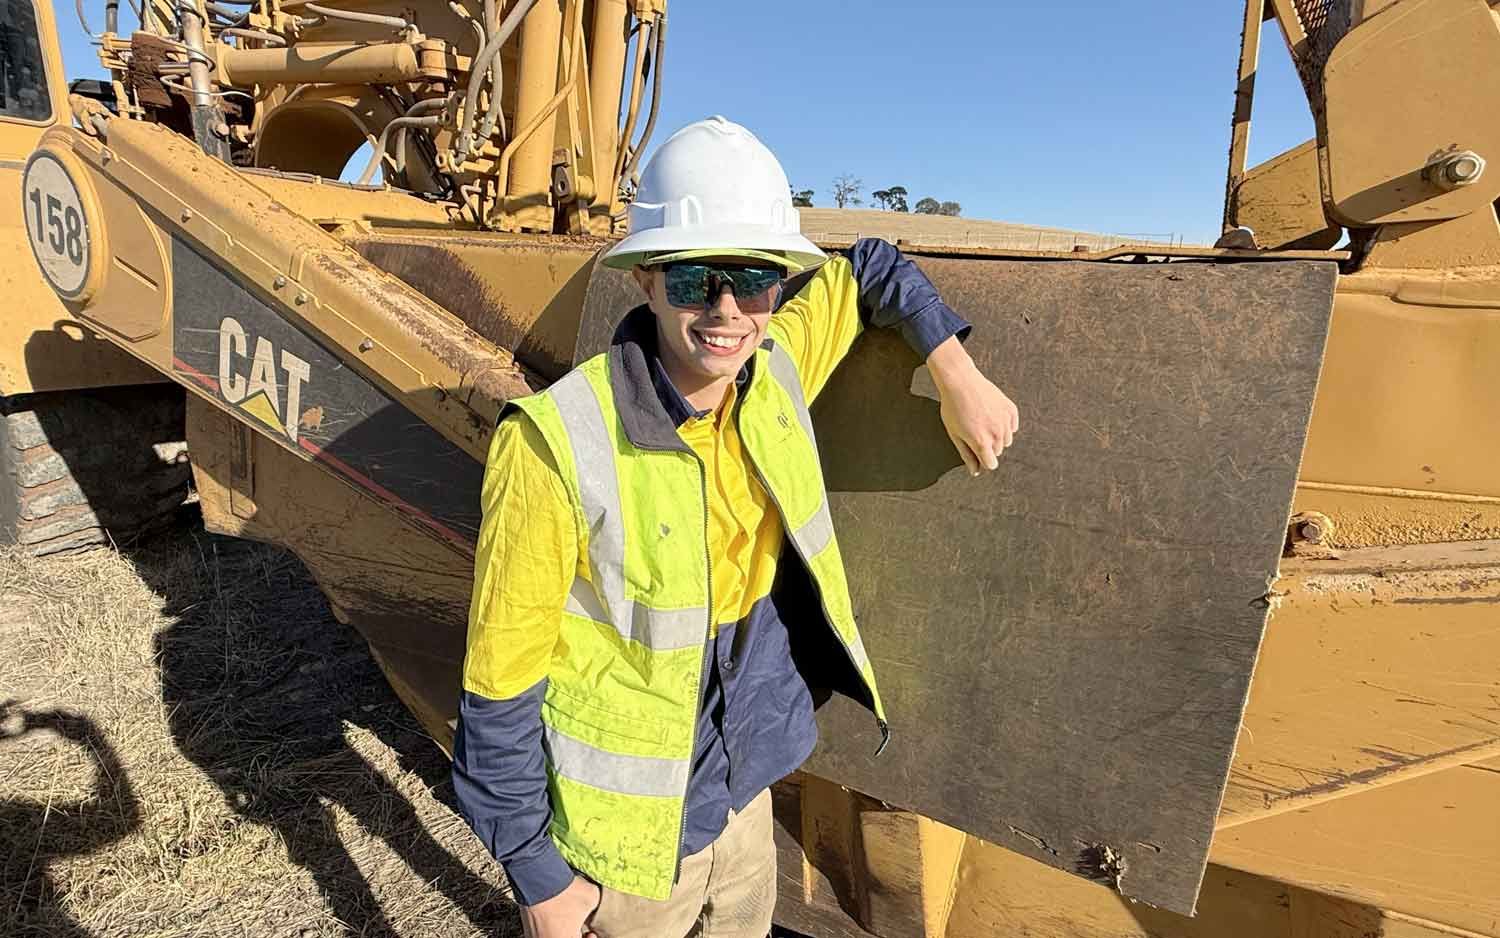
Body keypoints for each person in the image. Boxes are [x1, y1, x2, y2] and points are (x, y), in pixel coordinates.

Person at [453, 116, 1019, 938]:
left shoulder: (776, 366)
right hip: (623, 851)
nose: (726, 310)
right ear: (646, 280)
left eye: (753, 278)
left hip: (742, 801)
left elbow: (872, 266)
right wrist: (541, 883)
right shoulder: (553, 444)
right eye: (694, 280)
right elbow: (498, 687)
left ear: (778, 287)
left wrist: (956, 371)